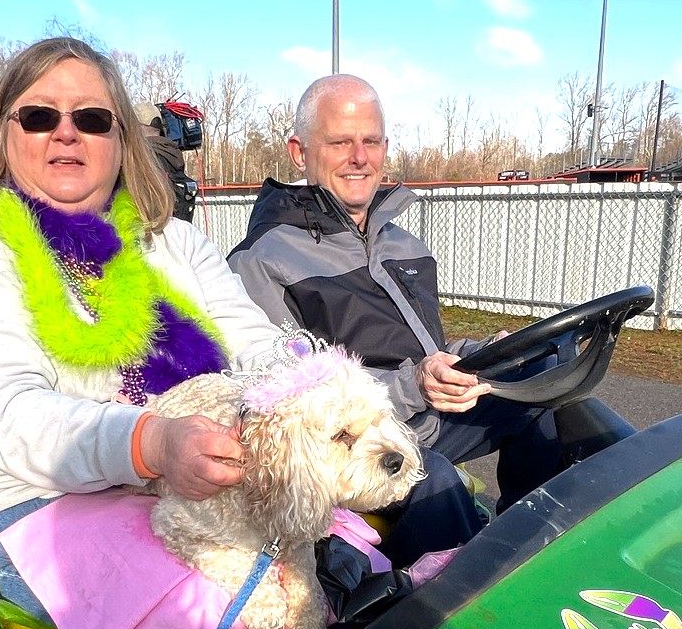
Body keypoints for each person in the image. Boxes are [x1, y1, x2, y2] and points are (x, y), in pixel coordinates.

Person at [0, 36, 299, 629]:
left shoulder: (175, 243)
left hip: (186, 466)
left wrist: (323, 387)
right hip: (34, 498)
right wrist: (151, 443)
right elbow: (8, 414)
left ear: (121, 139)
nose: (66, 132)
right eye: (39, 116)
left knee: (362, 562)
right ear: (5, 134)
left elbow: (257, 344)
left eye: (92, 118)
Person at [231, 74, 559, 525]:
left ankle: (549, 537)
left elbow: (425, 354)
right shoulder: (263, 260)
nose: (360, 158)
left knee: (550, 379)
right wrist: (414, 385)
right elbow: (284, 394)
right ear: (299, 151)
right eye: (340, 142)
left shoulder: (404, 245)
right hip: (354, 447)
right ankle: (463, 587)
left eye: (371, 141)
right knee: (433, 480)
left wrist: (480, 353)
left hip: (429, 418)